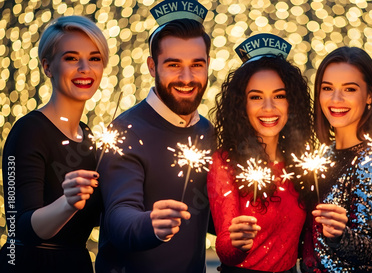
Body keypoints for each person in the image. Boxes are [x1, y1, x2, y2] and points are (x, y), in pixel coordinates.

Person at [95, 0, 214, 272]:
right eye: (173, 65)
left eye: (197, 65)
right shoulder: (125, 131)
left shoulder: (209, 132)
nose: (187, 77)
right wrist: (150, 224)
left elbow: (211, 214)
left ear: (208, 64)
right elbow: (118, 216)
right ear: (152, 66)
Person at [0, 16, 108, 272]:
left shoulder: (91, 138)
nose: (85, 68)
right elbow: (19, 227)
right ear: (47, 67)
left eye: (94, 58)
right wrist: (67, 203)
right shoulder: (28, 131)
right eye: (71, 58)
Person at [207, 33, 314, 272]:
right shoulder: (224, 163)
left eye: (279, 96)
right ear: (241, 105)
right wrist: (236, 244)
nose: (268, 107)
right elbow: (225, 247)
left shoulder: (302, 164)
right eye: (256, 97)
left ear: (291, 103)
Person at [300, 46, 372, 272]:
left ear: (370, 95)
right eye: (327, 88)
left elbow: (370, 249)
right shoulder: (322, 155)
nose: (336, 99)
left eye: (349, 89)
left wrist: (339, 234)